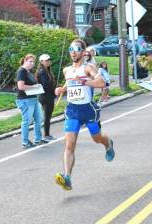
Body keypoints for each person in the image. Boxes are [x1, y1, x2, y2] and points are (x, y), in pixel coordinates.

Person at [54, 39, 115, 191]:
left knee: (97, 138)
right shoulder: (67, 70)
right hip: (72, 110)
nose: (72, 52)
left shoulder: (88, 68)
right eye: (70, 49)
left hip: (88, 109)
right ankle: (67, 177)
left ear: (82, 52)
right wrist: (61, 90)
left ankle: (108, 144)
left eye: (76, 49)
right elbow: (69, 83)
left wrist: (84, 82)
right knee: (69, 144)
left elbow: (101, 83)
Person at [16, 54, 46, 149]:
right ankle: (25, 142)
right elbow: (21, 87)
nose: (32, 63)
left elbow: (32, 85)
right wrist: (34, 87)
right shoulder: (21, 71)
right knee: (27, 121)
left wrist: (38, 87)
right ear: (25, 60)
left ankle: (38, 139)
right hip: (25, 100)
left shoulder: (29, 72)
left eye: (33, 62)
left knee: (39, 119)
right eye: (30, 61)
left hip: (34, 99)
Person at [36, 54, 57, 141]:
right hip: (45, 97)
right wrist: (54, 90)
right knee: (47, 116)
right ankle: (46, 135)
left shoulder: (47, 70)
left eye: (49, 60)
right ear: (41, 62)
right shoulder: (42, 72)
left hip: (48, 96)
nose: (48, 62)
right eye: (46, 60)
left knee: (47, 116)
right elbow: (46, 85)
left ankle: (46, 134)